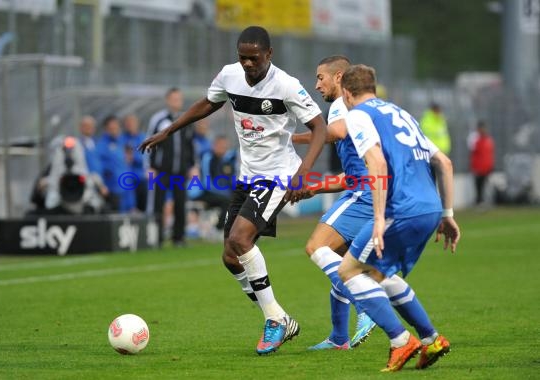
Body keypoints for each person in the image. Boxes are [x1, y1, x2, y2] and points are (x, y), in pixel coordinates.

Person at [139, 26, 326, 355]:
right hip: (248, 176)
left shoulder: (286, 86)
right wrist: (168, 130)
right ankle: (280, 316)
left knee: (240, 239)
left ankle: (274, 322)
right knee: (230, 255)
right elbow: (207, 104)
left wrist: (303, 172)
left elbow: (319, 127)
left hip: (278, 175)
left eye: (254, 58)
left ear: (269, 54)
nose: (248, 64)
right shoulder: (229, 75)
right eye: (243, 58)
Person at [335, 64, 460, 372]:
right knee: (380, 275)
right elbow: (443, 162)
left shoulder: (358, 115)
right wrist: (447, 214)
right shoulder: (401, 114)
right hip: (430, 209)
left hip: (401, 209)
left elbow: (375, 161)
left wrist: (378, 218)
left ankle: (400, 340)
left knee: (348, 270)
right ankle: (430, 338)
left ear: (347, 94)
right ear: (374, 89)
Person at [293, 55, 376, 350]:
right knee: (338, 262)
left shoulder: (342, 104)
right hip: (367, 190)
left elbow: (333, 134)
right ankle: (339, 337)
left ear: (339, 77)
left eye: (320, 78)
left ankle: (366, 306)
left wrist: (293, 138)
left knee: (317, 247)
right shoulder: (358, 108)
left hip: (363, 194)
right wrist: (316, 188)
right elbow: (351, 173)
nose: (316, 85)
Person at [145, 88, 195, 247]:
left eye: (179, 99)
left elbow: (190, 145)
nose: (176, 102)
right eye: (173, 99)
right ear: (167, 100)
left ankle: (178, 238)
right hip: (161, 171)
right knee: (158, 204)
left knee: (180, 204)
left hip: (180, 171)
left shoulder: (186, 119)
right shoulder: (158, 120)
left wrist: (193, 166)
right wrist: (150, 166)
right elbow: (150, 142)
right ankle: (157, 238)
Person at [191, 135, 235, 234]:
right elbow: (207, 182)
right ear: (214, 146)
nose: (223, 149)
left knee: (240, 198)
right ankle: (219, 229)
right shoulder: (207, 158)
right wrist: (225, 193)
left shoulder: (227, 161)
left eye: (225, 146)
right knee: (227, 201)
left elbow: (231, 182)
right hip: (203, 192)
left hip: (220, 193)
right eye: (221, 146)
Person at [97, 115, 130, 212]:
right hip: (113, 189)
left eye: (116, 127)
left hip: (126, 188)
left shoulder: (122, 143)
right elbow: (99, 167)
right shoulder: (101, 145)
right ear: (106, 129)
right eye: (112, 128)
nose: (115, 130)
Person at [121, 114, 147, 212]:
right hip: (126, 179)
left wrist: (134, 157)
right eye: (128, 123)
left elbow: (147, 157)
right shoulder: (121, 138)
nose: (130, 125)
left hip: (142, 178)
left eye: (132, 122)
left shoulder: (144, 138)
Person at [467, 120, 495, 205]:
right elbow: (473, 153)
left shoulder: (489, 140)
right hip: (478, 167)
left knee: (485, 185)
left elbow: (490, 154)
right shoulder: (475, 140)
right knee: (478, 185)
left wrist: (491, 165)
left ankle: (485, 201)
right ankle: (479, 201)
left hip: (487, 167)